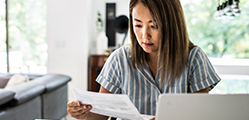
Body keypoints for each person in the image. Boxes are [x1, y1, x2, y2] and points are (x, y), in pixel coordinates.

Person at [67, 0, 221, 119]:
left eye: (154, 26)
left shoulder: (194, 58)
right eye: (138, 25)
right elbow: (101, 116)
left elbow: (201, 115)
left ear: (172, 25)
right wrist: (83, 113)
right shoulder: (119, 59)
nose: (144, 35)